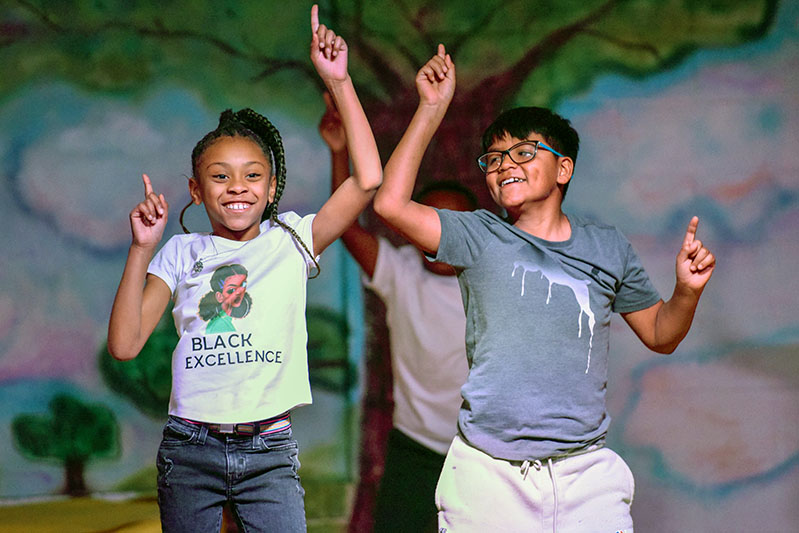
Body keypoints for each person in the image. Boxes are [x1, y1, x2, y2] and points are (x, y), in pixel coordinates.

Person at [373, 45, 716, 532]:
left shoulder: (607, 247)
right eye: (492, 158)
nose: (503, 164)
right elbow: (389, 203)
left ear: (563, 169)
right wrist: (431, 108)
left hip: (585, 473)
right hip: (488, 472)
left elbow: (662, 335)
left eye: (523, 152)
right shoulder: (478, 235)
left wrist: (687, 291)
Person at [106, 6, 382, 532]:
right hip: (189, 451)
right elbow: (125, 344)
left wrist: (339, 81)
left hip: (269, 450)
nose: (238, 186)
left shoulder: (292, 241)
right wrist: (142, 247)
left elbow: (367, 181)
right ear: (195, 189)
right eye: (220, 176)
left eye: (253, 175)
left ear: (272, 187)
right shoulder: (181, 252)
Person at [320, 94, 474, 532]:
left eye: (456, 223)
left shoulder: (492, 280)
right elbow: (345, 225)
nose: (441, 233)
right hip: (415, 449)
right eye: (430, 220)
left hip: (483, 451)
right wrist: (338, 150)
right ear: (412, 226)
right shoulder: (402, 273)